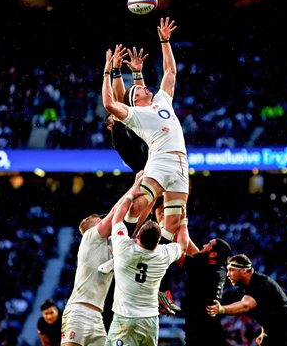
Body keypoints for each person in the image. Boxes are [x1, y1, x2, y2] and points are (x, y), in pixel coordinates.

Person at [101, 17, 189, 245]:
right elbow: (113, 103)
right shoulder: (135, 116)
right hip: (157, 161)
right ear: (134, 99)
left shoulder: (160, 101)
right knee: (141, 202)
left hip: (181, 163)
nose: (143, 85)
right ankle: (122, 246)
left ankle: (154, 258)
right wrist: (110, 72)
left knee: (173, 222)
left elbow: (170, 72)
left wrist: (165, 41)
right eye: (139, 88)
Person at [61, 175, 145, 346]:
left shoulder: (110, 245)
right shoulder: (90, 237)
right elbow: (115, 213)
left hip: (97, 316)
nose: (104, 222)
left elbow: (132, 222)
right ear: (90, 227)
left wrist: (150, 198)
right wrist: (133, 188)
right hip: (79, 310)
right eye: (99, 221)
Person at [104, 181, 188, 346]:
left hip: (124, 319)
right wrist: (183, 221)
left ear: (138, 236)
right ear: (158, 242)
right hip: (149, 320)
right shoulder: (163, 254)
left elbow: (116, 218)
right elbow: (183, 246)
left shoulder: (124, 248)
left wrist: (131, 194)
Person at [207, 253, 287, 346]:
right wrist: (264, 332)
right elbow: (268, 310)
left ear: (244, 270)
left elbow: (245, 305)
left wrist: (222, 309)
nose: (228, 274)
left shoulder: (261, 284)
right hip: (279, 335)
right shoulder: (249, 285)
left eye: (231, 270)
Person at [180, 237, 231, 345]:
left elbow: (177, 251)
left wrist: (182, 223)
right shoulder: (218, 268)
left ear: (213, 254)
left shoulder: (202, 269)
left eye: (208, 244)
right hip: (208, 329)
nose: (203, 245)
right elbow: (194, 252)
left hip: (200, 331)